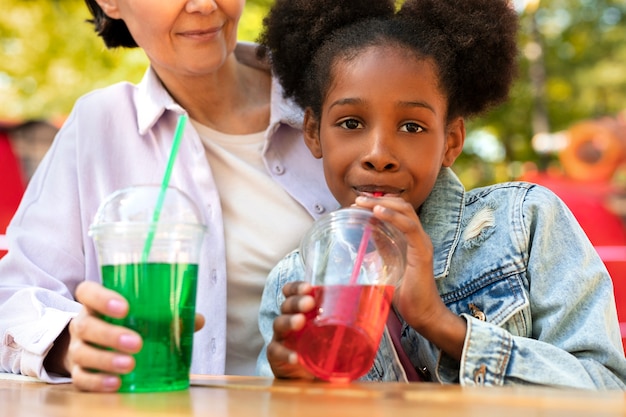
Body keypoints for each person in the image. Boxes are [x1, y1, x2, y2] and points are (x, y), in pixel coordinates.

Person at [255, 0, 626, 389]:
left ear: (451, 142)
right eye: (351, 122)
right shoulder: (295, 280)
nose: (379, 154)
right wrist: (294, 382)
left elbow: (608, 389)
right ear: (313, 133)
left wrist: (440, 323)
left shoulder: (527, 223)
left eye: (412, 127)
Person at [0, 0, 336, 392]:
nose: (204, 5)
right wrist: (72, 344)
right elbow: (11, 300)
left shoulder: (335, 92)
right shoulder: (100, 125)